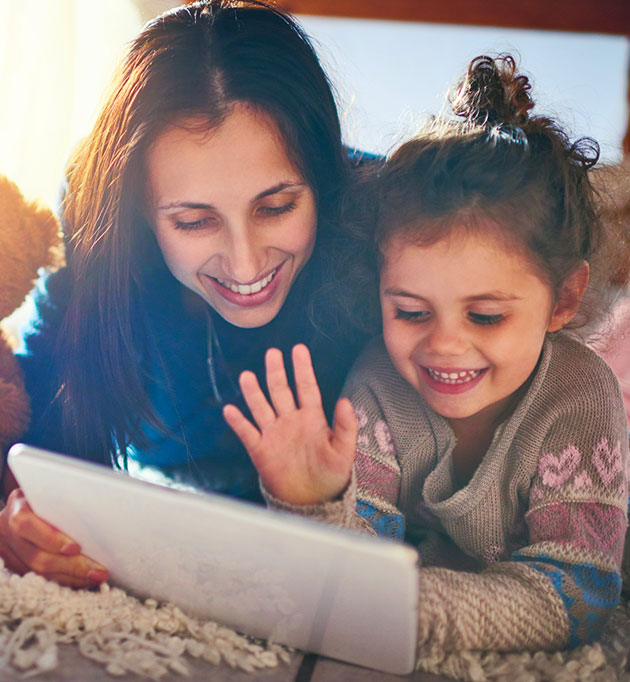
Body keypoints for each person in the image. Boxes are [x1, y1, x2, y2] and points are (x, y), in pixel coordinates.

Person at [224, 54, 630, 655]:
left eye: (486, 316)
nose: (443, 345)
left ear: (563, 298)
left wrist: (402, 608)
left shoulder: (579, 397)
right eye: (411, 312)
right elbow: (348, 568)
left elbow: (577, 593)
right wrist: (313, 503)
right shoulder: (380, 384)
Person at [0, 0, 370, 587]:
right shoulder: (101, 222)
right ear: (139, 212)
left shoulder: (382, 225)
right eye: (194, 222)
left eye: (276, 207)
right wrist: (18, 507)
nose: (247, 264)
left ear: (325, 182)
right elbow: (42, 420)